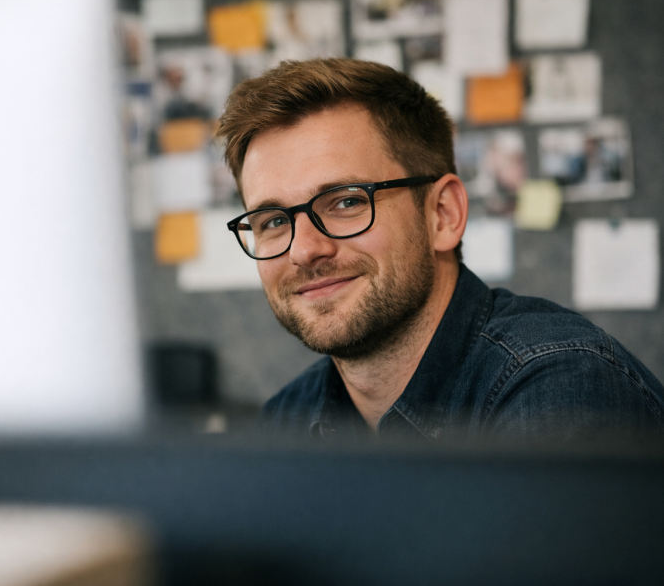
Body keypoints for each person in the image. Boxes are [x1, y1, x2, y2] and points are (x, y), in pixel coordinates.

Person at [216, 58, 664, 444]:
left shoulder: (560, 391)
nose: (305, 250)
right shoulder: (286, 421)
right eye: (273, 221)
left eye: (347, 201)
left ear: (443, 214)